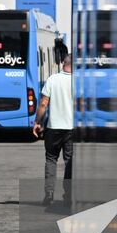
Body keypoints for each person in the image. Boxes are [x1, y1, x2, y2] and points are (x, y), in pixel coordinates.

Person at [33, 39, 75, 207]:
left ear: (63, 63)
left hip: (53, 128)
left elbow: (43, 104)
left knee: (51, 159)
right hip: (72, 128)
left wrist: (37, 122)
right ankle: (69, 195)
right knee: (69, 162)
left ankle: (49, 194)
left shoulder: (52, 79)